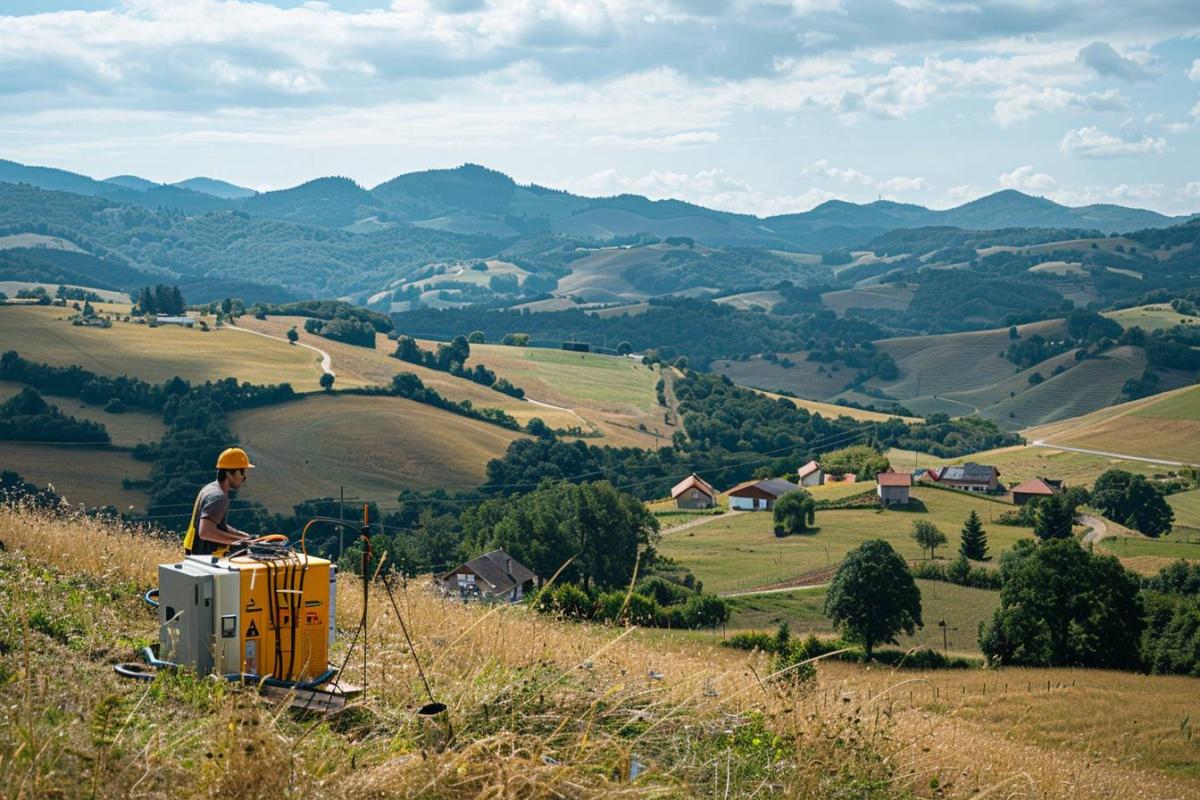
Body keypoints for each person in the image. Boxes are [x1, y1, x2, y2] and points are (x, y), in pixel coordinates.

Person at [182, 447, 255, 556]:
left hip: (195, 555)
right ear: (229, 473)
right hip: (206, 560)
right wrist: (240, 542)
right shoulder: (218, 497)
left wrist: (243, 536)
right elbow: (205, 532)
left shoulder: (209, 489)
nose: (244, 477)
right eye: (242, 471)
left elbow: (216, 524)